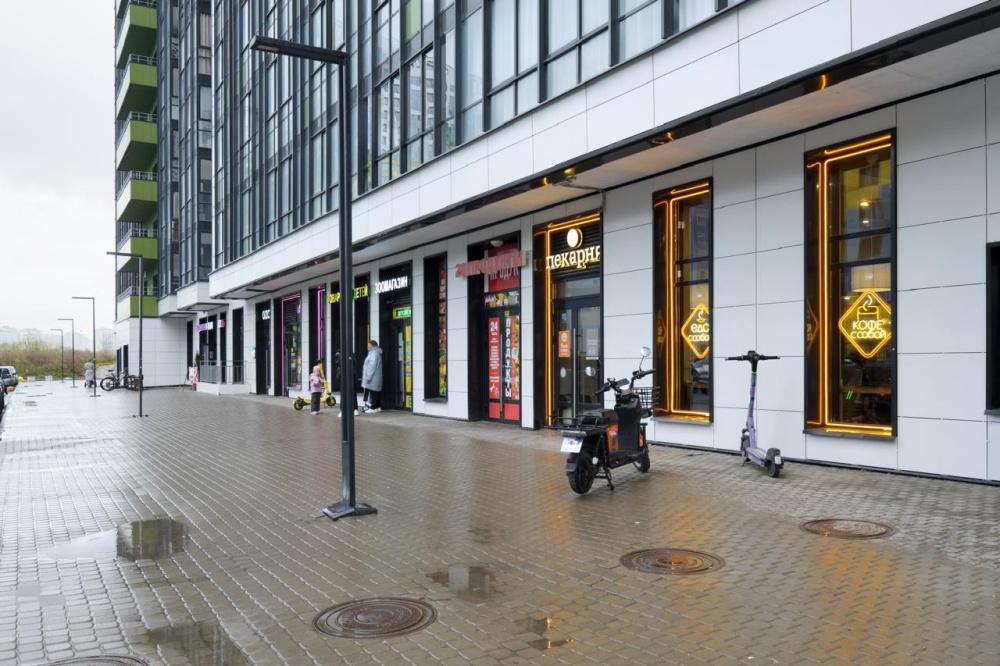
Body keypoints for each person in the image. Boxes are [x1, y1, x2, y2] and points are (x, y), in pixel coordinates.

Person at [361, 339, 383, 413]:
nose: (368, 346)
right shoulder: (376, 353)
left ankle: (373, 407)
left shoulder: (373, 354)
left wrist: (368, 378)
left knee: (373, 393)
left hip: (372, 378)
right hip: (376, 377)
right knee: (376, 392)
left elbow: (372, 367)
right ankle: (378, 407)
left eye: (369, 345)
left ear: (373, 346)